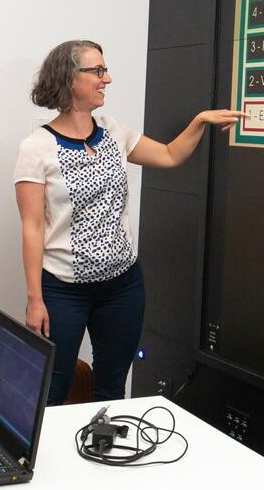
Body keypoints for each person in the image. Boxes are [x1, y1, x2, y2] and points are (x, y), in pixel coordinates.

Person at [13, 39, 246, 404]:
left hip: (122, 287)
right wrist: (35, 300)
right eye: (98, 71)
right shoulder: (36, 148)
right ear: (70, 78)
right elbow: (32, 227)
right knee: (52, 392)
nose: (107, 79)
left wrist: (200, 121)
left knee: (110, 389)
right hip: (63, 290)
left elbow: (170, 156)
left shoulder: (114, 131)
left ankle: (101, 456)